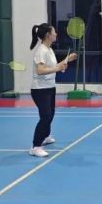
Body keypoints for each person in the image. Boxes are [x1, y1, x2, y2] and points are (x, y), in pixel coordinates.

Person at [29, 23, 76, 158]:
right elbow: (40, 70)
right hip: (40, 89)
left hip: (49, 87)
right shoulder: (41, 51)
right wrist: (57, 68)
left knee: (50, 114)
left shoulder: (49, 50)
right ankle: (35, 147)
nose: (56, 34)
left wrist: (67, 60)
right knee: (45, 116)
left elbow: (54, 67)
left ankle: (45, 136)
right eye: (54, 32)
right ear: (48, 35)